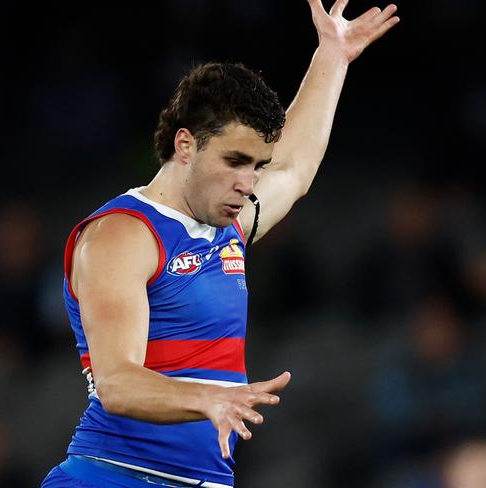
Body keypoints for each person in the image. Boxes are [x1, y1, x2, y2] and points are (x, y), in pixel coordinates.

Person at [42, 1, 399, 486]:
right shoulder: (122, 235)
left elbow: (292, 171)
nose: (250, 183)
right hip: (114, 476)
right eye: (235, 160)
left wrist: (333, 56)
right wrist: (208, 397)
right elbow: (117, 384)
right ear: (185, 145)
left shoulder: (225, 228)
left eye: (256, 164)